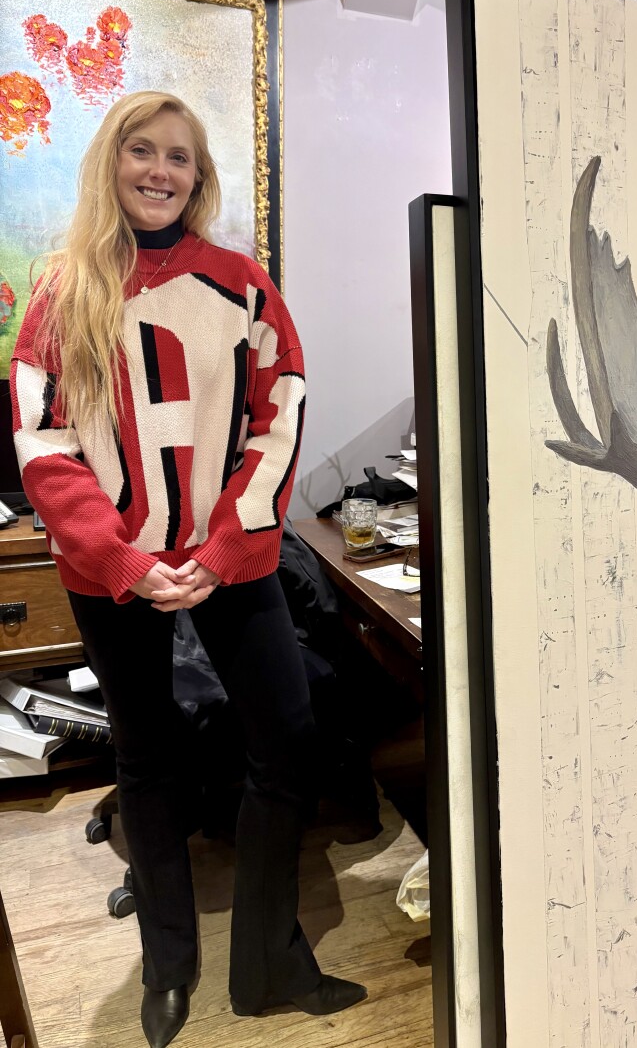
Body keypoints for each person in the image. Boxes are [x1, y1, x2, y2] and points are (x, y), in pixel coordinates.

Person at [10, 91, 366, 1048]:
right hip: (112, 571)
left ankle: (270, 959)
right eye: (141, 150)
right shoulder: (61, 293)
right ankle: (169, 967)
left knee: (287, 740)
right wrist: (123, 560)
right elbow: (43, 444)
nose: (159, 171)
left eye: (180, 157)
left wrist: (217, 550)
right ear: (111, 162)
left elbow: (278, 412)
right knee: (146, 759)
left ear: (198, 178)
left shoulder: (243, 285)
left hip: (229, 560)